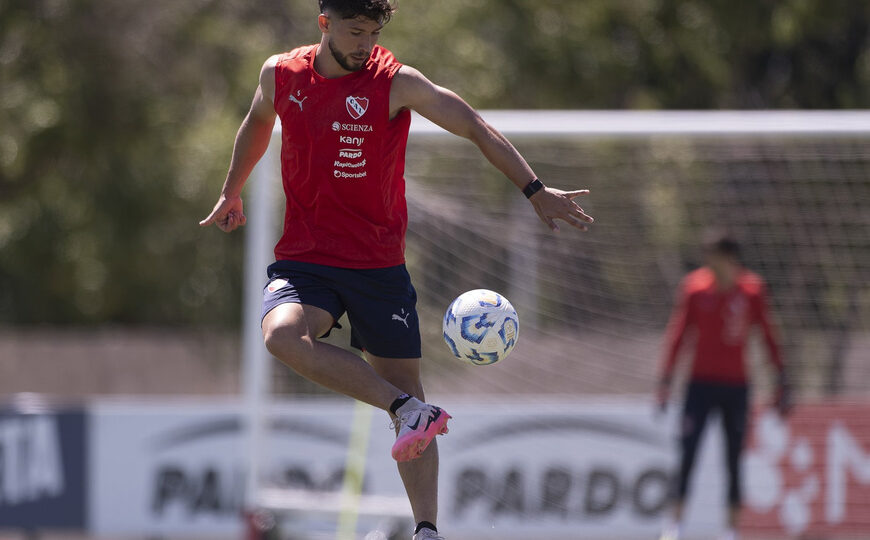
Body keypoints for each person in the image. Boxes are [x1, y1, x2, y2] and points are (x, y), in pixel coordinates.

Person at [199, 2, 593, 539]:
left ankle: (426, 530)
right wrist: (230, 190)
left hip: (378, 268)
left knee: (410, 397)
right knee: (282, 337)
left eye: (373, 32)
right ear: (324, 24)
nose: (365, 43)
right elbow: (258, 122)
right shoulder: (280, 73)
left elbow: (473, 124)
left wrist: (535, 190)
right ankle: (406, 410)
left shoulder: (395, 82)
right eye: (355, 31)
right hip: (306, 259)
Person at [656, 231, 789, 540]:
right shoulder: (694, 288)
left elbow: (768, 335)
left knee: (733, 458)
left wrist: (781, 378)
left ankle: (731, 531)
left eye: (713, 257)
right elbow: (678, 334)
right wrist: (665, 379)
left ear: (729, 259)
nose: (708, 264)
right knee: (687, 453)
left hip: (736, 388)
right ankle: (675, 526)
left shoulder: (753, 291)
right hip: (699, 387)